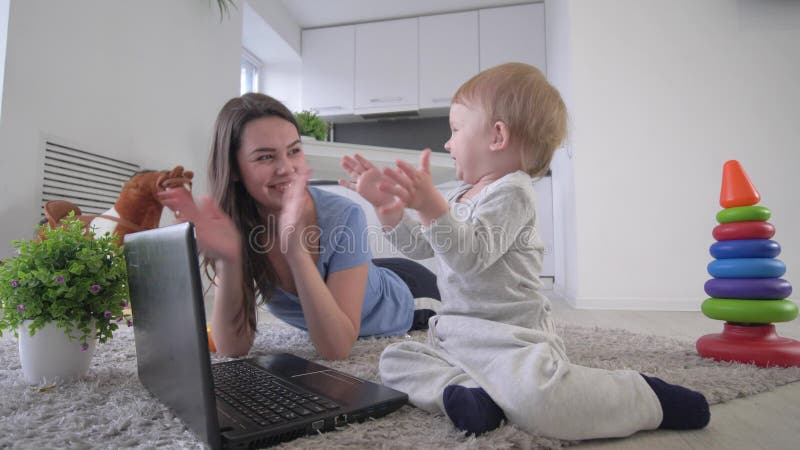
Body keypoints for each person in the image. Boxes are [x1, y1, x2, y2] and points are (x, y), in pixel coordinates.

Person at [341, 62, 710, 440]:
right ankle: (466, 391)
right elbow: (420, 245)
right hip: (453, 337)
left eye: (455, 129)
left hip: (510, 340)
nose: (448, 143)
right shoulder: (455, 193)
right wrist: (388, 211)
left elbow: (469, 258)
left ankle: (644, 396)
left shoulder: (512, 193)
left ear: (497, 135)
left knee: (540, 404)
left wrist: (431, 208)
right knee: (394, 361)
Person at [156, 93, 440, 360]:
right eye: (265, 156)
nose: (286, 168)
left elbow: (336, 349)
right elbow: (233, 348)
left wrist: (295, 251)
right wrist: (230, 261)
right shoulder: (232, 227)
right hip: (363, 276)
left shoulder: (343, 214)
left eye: (294, 151)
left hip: (413, 297)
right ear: (233, 169)